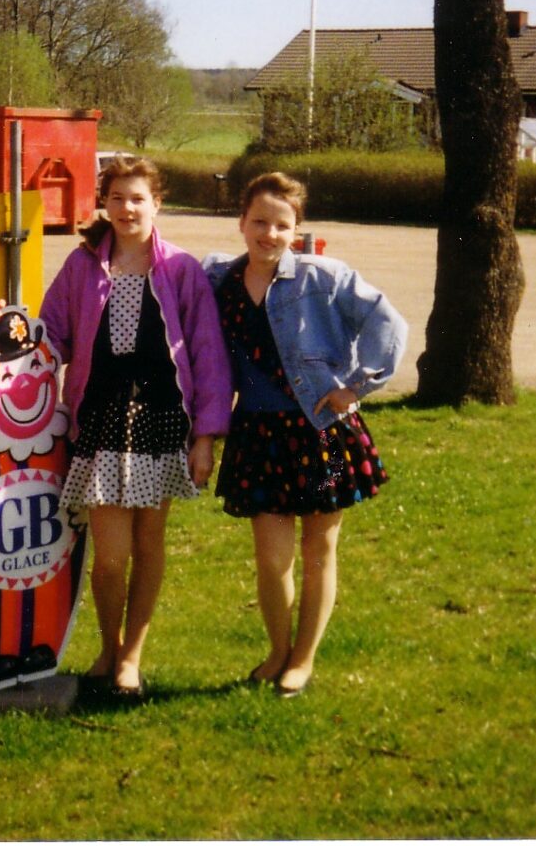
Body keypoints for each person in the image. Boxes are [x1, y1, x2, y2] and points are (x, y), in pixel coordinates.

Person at [204, 172, 407, 698]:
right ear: (241, 223)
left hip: (327, 438)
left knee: (320, 551)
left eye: (282, 225)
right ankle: (277, 651)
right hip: (259, 438)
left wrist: (356, 386)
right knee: (273, 560)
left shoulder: (324, 277)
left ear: (296, 229)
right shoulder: (219, 280)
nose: (269, 234)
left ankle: (303, 659)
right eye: (259, 222)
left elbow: (388, 323)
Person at [39, 156, 231, 698]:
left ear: (157, 204)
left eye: (138, 198)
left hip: (161, 421)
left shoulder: (181, 269)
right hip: (101, 422)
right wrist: (7, 340)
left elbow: (208, 356)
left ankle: (131, 657)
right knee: (110, 554)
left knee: (149, 544)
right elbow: (51, 334)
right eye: (117, 198)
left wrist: (205, 438)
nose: (127, 208)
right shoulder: (81, 266)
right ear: (105, 203)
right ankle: (108, 644)